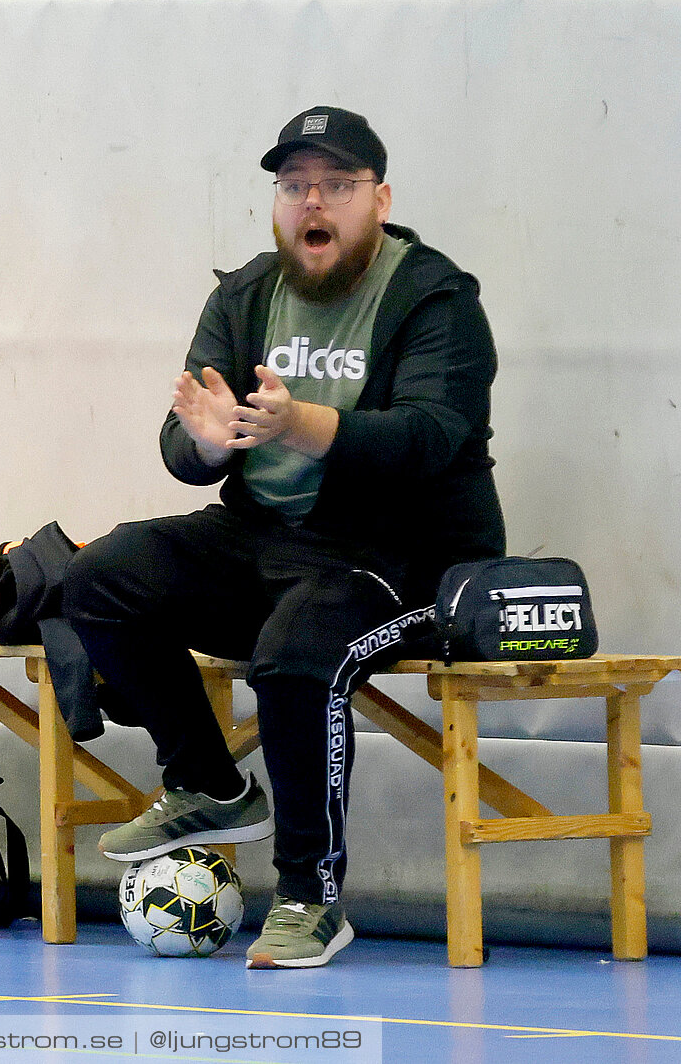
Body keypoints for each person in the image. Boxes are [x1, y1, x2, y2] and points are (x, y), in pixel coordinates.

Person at [63, 108, 504, 968]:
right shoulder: (245, 295)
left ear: (378, 200)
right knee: (99, 577)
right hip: (262, 537)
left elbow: (428, 437)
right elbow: (181, 443)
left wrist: (302, 422)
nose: (315, 203)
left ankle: (311, 895)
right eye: (297, 185)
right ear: (277, 203)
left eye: (336, 186)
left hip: (398, 558)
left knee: (296, 652)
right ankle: (211, 784)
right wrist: (208, 439)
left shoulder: (437, 299)